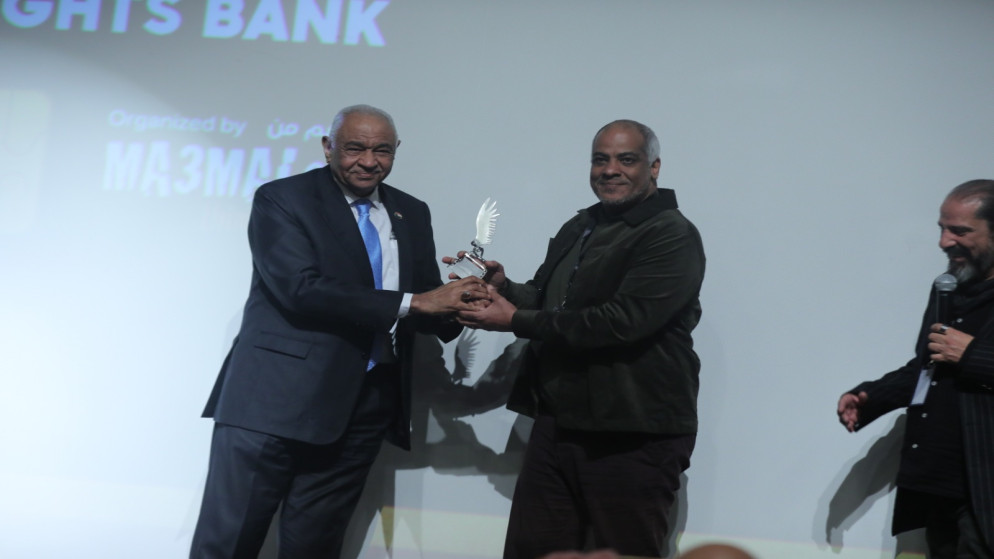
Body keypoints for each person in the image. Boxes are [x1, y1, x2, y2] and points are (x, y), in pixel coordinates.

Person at [190, 104, 488, 558]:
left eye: (382, 150)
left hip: (363, 408)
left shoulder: (410, 211)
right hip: (273, 404)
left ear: (396, 151)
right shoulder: (282, 199)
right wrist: (419, 301)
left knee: (316, 548)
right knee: (228, 544)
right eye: (355, 148)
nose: (369, 161)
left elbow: (423, 300)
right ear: (328, 147)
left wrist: (466, 298)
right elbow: (300, 289)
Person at [450, 119, 706, 559]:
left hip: (634, 431)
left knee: (621, 553)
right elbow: (551, 301)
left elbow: (621, 322)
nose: (610, 170)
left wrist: (515, 320)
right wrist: (503, 289)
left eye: (626, 159)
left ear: (654, 167)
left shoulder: (671, 233)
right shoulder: (583, 223)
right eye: (600, 159)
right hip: (559, 423)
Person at [837, 179, 994, 559]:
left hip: (984, 485)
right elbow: (928, 367)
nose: (944, 242)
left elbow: (961, 357)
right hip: (938, 481)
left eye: (959, 231)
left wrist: (972, 355)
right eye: (942, 228)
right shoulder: (948, 288)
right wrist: (872, 396)